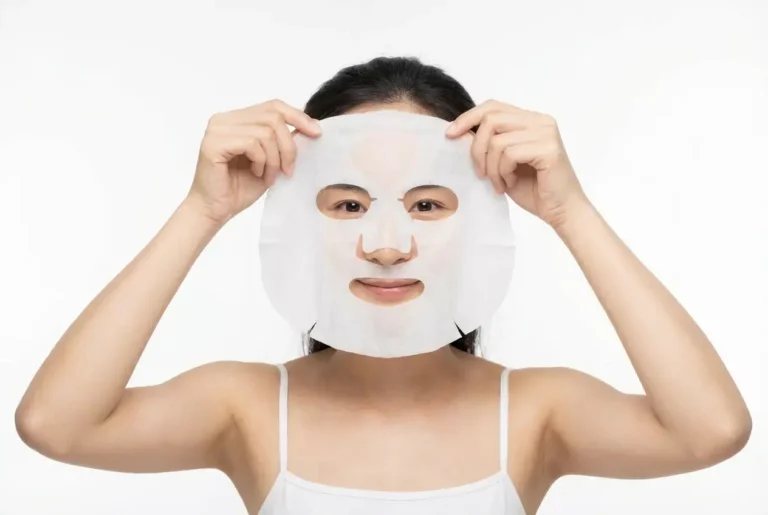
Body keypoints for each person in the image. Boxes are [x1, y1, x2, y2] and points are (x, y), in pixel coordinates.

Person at [15, 57, 751, 515]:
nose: (387, 244)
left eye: (427, 204)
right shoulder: (245, 406)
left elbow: (711, 431)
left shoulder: (535, 411)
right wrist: (201, 210)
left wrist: (571, 210)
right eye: (348, 205)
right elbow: (55, 424)